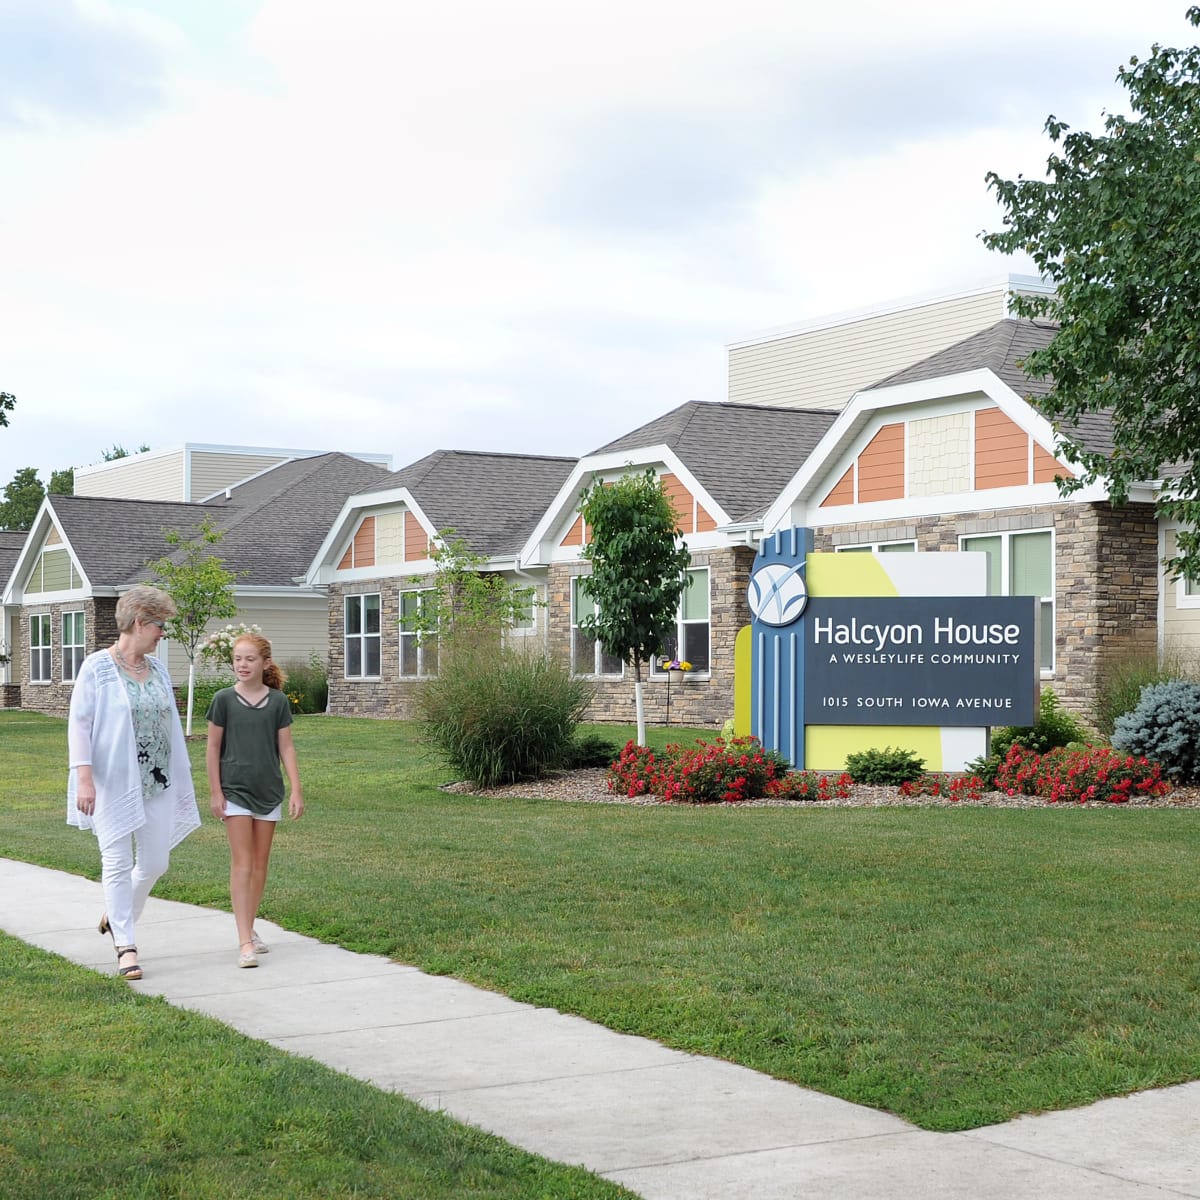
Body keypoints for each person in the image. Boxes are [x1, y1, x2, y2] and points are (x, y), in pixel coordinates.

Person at [67, 584, 201, 981]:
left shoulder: (157, 669)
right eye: (160, 625)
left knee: (156, 861)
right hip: (111, 781)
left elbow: (169, 724)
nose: (164, 633)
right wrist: (84, 779)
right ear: (140, 622)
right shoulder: (97, 667)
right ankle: (126, 945)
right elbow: (80, 724)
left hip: (156, 780)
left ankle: (116, 912)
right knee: (117, 861)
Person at [205, 632, 303, 968]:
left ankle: (249, 925)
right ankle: (244, 941)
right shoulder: (223, 700)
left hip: (268, 791)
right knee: (242, 864)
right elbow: (213, 748)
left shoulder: (278, 702)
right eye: (237, 659)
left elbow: (286, 747)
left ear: (265, 663)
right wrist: (216, 792)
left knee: (260, 866)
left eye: (249, 659)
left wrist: (296, 789)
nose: (242, 665)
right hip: (235, 791)